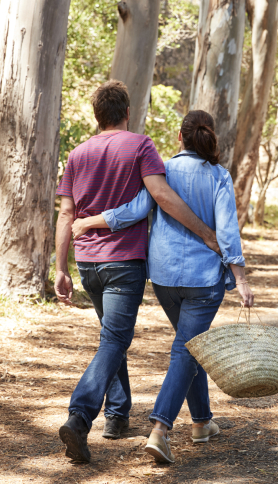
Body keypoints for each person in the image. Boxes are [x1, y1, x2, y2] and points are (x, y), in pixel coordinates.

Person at [72, 110, 254, 464]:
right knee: (186, 350)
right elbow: (227, 231)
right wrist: (242, 278)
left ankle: (201, 422)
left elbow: (134, 210)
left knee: (191, 346)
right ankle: (160, 429)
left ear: (180, 137)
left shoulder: (162, 169)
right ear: (209, 137)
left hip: (165, 276)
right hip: (204, 279)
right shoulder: (218, 175)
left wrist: (94, 221)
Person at [54, 82, 220, 464]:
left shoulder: (78, 153)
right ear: (127, 112)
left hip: (87, 262)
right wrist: (206, 233)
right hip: (124, 261)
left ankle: (117, 414)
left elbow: (66, 213)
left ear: (97, 116)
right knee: (114, 340)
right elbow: (160, 196)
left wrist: (61, 268)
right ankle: (80, 417)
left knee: (112, 336)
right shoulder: (141, 145)